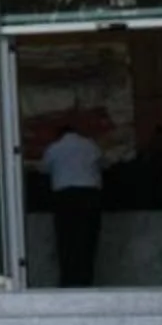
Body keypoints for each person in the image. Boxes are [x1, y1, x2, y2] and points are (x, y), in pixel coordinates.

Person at [40, 121, 106, 288]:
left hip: (65, 198)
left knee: (67, 242)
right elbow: (103, 163)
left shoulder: (54, 148)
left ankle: (68, 280)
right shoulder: (90, 145)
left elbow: (44, 169)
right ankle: (86, 280)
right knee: (87, 241)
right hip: (89, 196)